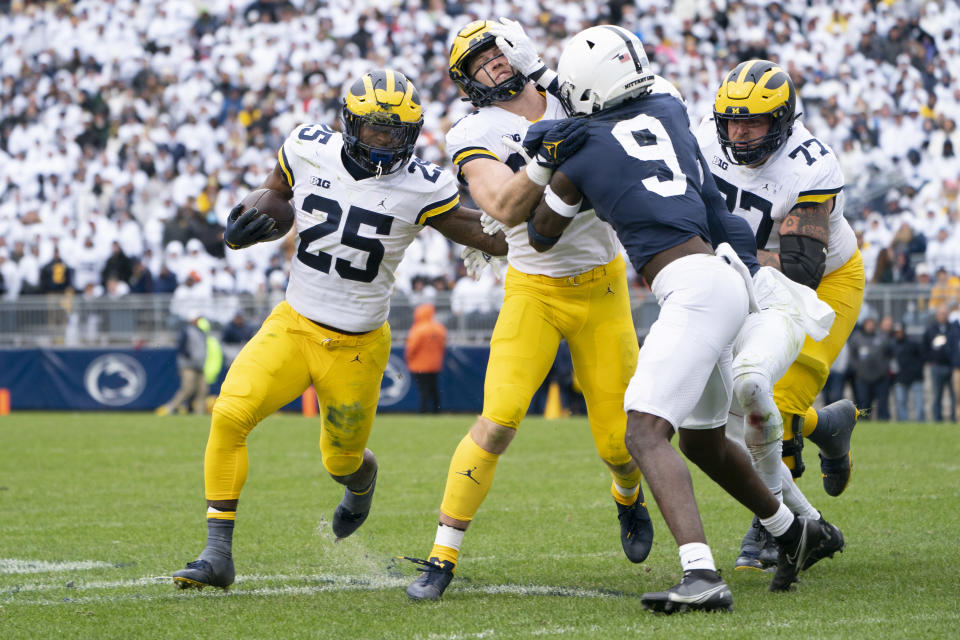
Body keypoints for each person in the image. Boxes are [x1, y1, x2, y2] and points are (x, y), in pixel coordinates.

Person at [519, 26, 837, 613]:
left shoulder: (580, 147)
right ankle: (797, 530)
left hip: (690, 287)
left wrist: (545, 164)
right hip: (722, 273)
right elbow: (702, 198)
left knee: (642, 431)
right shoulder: (667, 107)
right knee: (701, 439)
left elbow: (538, 235)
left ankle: (701, 574)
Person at [171, 69, 507, 591]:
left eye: (397, 132)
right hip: (293, 323)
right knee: (230, 414)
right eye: (376, 130)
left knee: (342, 458)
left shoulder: (425, 185)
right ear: (350, 123)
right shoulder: (307, 147)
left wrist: (529, 230)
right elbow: (275, 195)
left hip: (357, 346)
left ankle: (360, 482)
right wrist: (244, 225)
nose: (386, 142)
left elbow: (482, 229)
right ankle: (217, 554)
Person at [404, 19, 653, 602]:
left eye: (494, 51)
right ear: (464, 79)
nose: (490, 64)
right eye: (476, 60)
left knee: (619, 443)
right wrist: (549, 153)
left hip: (603, 286)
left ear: (519, 49)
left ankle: (628, 497)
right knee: (496, 424)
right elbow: (502, 205)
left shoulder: (577, 89)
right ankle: (443, 555)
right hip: (535, 288)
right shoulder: (474, 127)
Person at [696, 59, 864, 497]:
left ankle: (776, 529)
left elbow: (801, 269)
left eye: (753, 121)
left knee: (779, 401)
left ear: (783, 120)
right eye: (731, 122)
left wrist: (722, 251)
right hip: (747, 280)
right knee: (736, 396)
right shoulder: (701, 140)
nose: (739, 133)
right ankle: (826, 426)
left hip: (823, 285)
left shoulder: (809, 166)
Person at [157, 314, 209, 416]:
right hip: (188, 365)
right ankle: (170, 408)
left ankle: (200, 412)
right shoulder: (186, 331)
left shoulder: (201, 332)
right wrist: (190, 357)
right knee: (188, 388)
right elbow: (181, 348)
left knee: (203, 389)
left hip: (199, 365)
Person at [848, 315, 894, 420]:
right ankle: (864, 422)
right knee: (864, 402)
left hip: (881, 377)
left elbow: (890, 353)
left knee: (882, 403)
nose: (870, 326)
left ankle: (883, 421)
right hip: (863, 377)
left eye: (872, 324)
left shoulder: (882, 336)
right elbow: (852, 355)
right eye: (868, 324)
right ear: (864, 325)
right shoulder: (856, 337)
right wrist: (857, 369)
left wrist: (885, 367)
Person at [405, 303, 447, 413]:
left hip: (419, 365)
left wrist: (409, 359)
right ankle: (436, 411)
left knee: (423, 390)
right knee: (434, 389)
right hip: (435, 365)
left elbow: (411, 348)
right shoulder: (439, 328)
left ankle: (423, 410)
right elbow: (443, 345)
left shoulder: (418, 329)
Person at [924, 305, 957, 421]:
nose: (943, 316)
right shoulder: (931, 329)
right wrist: (931, 360)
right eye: (941, 313)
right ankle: (937, 419)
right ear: (937, 315)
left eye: (945, 313)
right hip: (936, 366)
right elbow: (925, 346)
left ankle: (954, 419)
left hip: (951, 366)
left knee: (954, 395)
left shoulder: (953, 328)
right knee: (937, 395)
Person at [892, 321, 926, 421]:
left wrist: (915, 370)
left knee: (918, 402)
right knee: (901, 401)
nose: (898, 334)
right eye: (896, 332)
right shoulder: (893, 345)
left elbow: (922, 358)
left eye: (900, 331)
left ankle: (920, 422)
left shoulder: (913, 343)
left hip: (915, 377)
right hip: (900, 377)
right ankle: (903, 423)